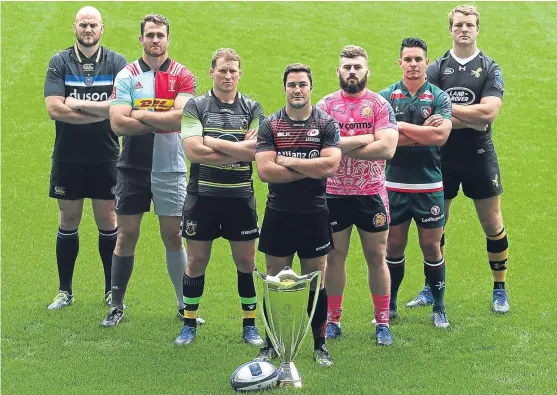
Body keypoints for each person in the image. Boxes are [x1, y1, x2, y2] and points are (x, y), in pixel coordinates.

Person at [408, 5, 509, 314]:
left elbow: (489, 113)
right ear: (450, 29)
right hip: (442, 156)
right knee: (435, 226)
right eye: (458, 24)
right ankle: (431, 287)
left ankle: (500, 289)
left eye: (469, 24)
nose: (464, 29)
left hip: (480, 155)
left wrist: (448, 113)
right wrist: (472, 115)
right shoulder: (437, 68)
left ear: (478, 29)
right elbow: (428, 113)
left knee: (492, 223)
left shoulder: (490, 68)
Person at [100, 14, 196, 327]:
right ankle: (116, 305)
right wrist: (163, 115)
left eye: (160, 35)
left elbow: (182, 120)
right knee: (126, 234)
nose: (155, 40)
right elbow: (117, 124)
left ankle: (184, 306)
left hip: (171, 167)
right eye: (150, 35)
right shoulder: (127, 75)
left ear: (169, 39)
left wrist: (139, 113)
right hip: (132, 168)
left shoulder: (183, 76)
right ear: (141, 39)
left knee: (172, 235)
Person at [174, 48, 265, 346]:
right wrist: (236, 150)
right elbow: (192, 152)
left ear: (240, 74)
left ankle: (249, 325)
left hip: (240, 198)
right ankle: (189, 323)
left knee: (246, 261)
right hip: (203, 197)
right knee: (197, 260)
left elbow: (256, 153)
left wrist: (211, 142)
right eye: (222, 70)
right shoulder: (195, 107)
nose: (227, 76)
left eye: (233, 70)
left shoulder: (253, 108)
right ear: (211, 72)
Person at [255, 63, 342, 366]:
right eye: (292, 84)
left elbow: (330, 166)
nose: (297, 90)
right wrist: (309, 166)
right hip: (279, 213)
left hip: (314, 214)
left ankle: (320, 345)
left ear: (310, 87)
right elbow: (266, 171)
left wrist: (286, 160)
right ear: (285, 88)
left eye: (302, 84)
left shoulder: (327, 123)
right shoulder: (270, 125)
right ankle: (270, 344)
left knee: (315, 282)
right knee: (274, 281)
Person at [44, 6, 128, 310]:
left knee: (108, 220)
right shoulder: (60, 62)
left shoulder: (118, 62)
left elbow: (121, 106)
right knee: (68, 220)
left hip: (107, 157)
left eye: (93, 25)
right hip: (68, 158)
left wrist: (76, 104)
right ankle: (65, 291)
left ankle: (111, 291)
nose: (88, 29)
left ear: (102, 28)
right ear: (74, 28)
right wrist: (101, 112)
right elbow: (54, 108)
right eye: (83, 25)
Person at [315, 45, 399, 345]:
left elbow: (387, 148)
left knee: (377, 256)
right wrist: (366, 139)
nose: (352, 71)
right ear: (338, 71)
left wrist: (340, 143)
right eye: (347, 66)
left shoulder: (379, 105)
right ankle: (333, 319)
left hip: (371, 194)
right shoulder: (324, 106)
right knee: (334, 258)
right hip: (334, 193)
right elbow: (321, 149)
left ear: (367, 71)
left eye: (358, 67)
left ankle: (382, 322)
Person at [379, 38, 453, 328]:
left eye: (418, 59)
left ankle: (439, 307)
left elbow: (440, 137)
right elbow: (383, 141)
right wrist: (420, 131)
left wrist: (398, 129)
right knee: (393, 247)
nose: (412, 64)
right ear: (400, 63)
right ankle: (391, 306)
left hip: (429, 186)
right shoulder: (385, 96)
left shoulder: (439, 97)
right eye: (407, 59)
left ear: (426, 62)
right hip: (393, 186)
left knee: (432, 248)